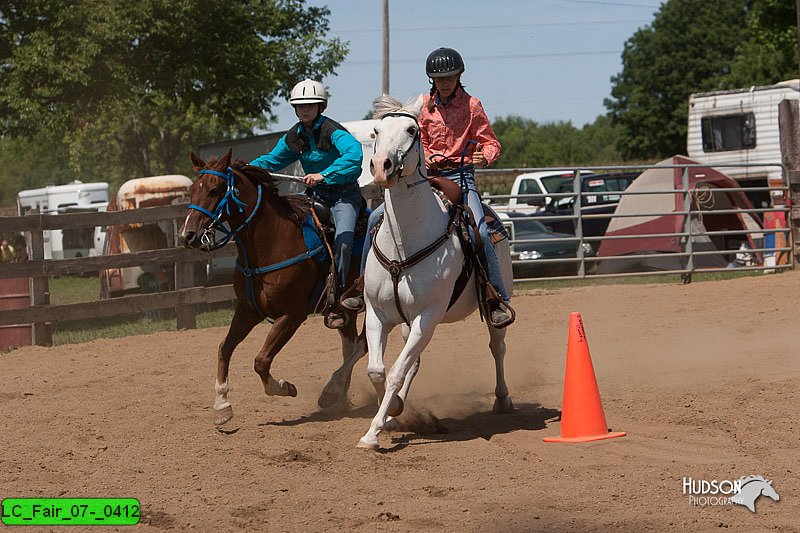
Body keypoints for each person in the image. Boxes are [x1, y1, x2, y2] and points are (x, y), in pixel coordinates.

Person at [342, 47, 513, 328]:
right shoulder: (421, 106)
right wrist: (426, 155)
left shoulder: (472, 106)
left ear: (459, 76)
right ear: (431, 79)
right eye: (438, 77)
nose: (444, 82)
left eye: (449, 76)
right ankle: (362, 287)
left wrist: (487, 155)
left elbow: (491, 141)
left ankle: (494, 296)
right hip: (424, 178)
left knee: (480, 230)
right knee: (375, 218)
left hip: (461, 177)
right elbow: (407, 138)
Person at [249, 79, 364, 329]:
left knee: (343, 241)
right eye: (299, 106)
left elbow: (354, 155)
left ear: (320, 106)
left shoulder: (333, 131)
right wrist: (245, 168)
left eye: (310, 105)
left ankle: (341, 298)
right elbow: (272, 160)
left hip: (344, 197)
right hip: (315, 198)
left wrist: (324, 174)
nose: (304, 109)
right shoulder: (295, 135)